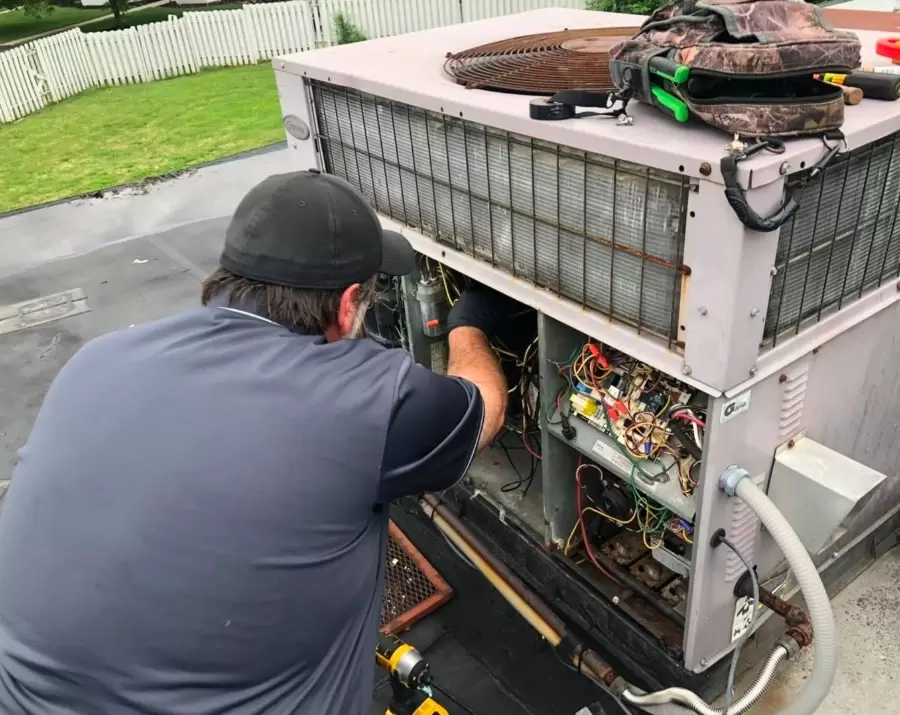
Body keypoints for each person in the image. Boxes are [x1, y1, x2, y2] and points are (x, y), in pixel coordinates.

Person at [0, 170, 510, 715]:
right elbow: (486, 408)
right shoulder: (367, 399)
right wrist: (469, 324)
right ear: (349, 304)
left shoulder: (96, 359)